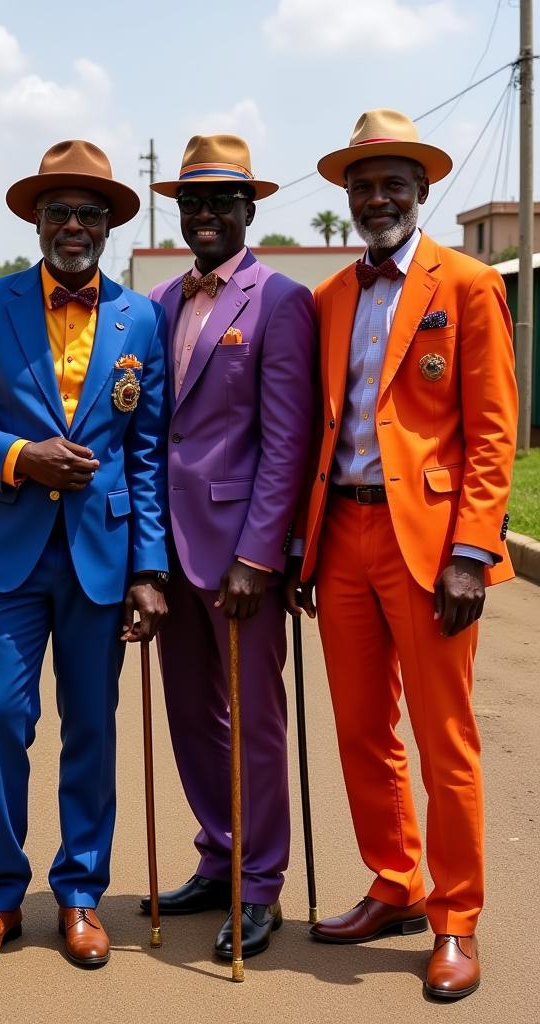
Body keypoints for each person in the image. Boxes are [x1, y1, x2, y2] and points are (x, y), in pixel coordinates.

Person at [286, 109, 518, 1001]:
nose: (377, 198)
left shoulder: (463, 284)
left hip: (431, 546)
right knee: (359, 729)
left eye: (393, 183)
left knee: (444, 736)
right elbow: (321, 426)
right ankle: (397, 884)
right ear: (345, 197)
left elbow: (494, 433)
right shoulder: (329, 298)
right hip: (342, 534)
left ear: (423, 192)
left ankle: (457, 918)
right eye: (362, 185)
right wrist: (303, 547)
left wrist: (472, 548)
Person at [0, 140, 169, 972]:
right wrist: (17, 454)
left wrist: (150, 568)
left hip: (101, 556)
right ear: (35, 222)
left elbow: (146, 449)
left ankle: (80, 894)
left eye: (88, 214)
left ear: (108, 226)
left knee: (92, 727)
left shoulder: (140, 317)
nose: (72, 226)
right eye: (57, 212)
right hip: (5, 551)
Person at [143, 134, 315, 960]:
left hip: (239, 555)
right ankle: (219, 856)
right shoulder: (164, 303)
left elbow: (287, 441)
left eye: (222, 202)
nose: (206, 215)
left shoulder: (280, 300)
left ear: (251, 211)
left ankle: (261, 885)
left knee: (254, 721)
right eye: (193, 204)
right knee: (191, 716)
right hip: (170, 553)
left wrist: (261, 555)